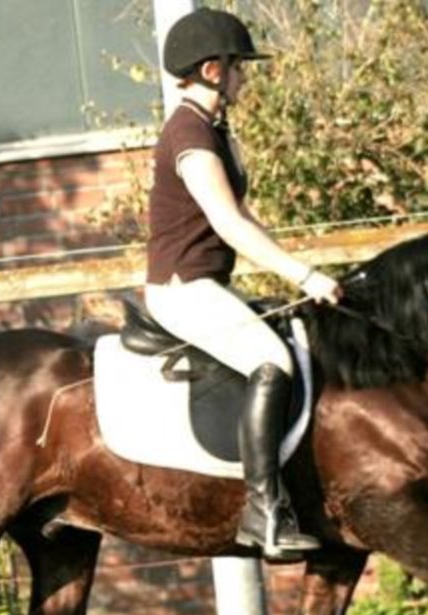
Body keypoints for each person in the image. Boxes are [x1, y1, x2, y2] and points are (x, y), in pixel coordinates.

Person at [146, 7, 342, 559]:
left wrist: (298, 269)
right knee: (271, 360)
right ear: (213, 70)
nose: (244, 76)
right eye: (238, 66)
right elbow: (226, 222)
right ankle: (263, 513)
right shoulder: (188, 134)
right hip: (181, 289)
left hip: (207, 283)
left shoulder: (214, 130)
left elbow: (244, 215)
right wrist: (302, 273)